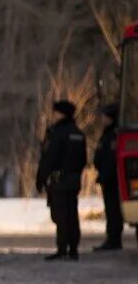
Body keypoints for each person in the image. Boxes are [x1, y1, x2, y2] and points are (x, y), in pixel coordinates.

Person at [36, 100, 87, 261]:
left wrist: (41, 178)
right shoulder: (78, 133)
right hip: (73, 180)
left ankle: (62, 249)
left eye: (56, 112)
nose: (53, 115)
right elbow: (83, 159)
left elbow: (49, 158)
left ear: (61, 114)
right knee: (72, 213)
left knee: (60, 215)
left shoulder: (56, 133)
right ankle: (73, 249)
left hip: (58, 181)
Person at [93, 103, 123, 251]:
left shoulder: (113, 135)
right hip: (107, 177)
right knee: (111, 210)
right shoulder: (107, 133)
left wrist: (106, 174)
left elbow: (111, 158)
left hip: (112, 178)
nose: (102, 119)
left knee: (113, 210)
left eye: (104, 116)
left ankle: (114, 239)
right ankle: (112, 238)